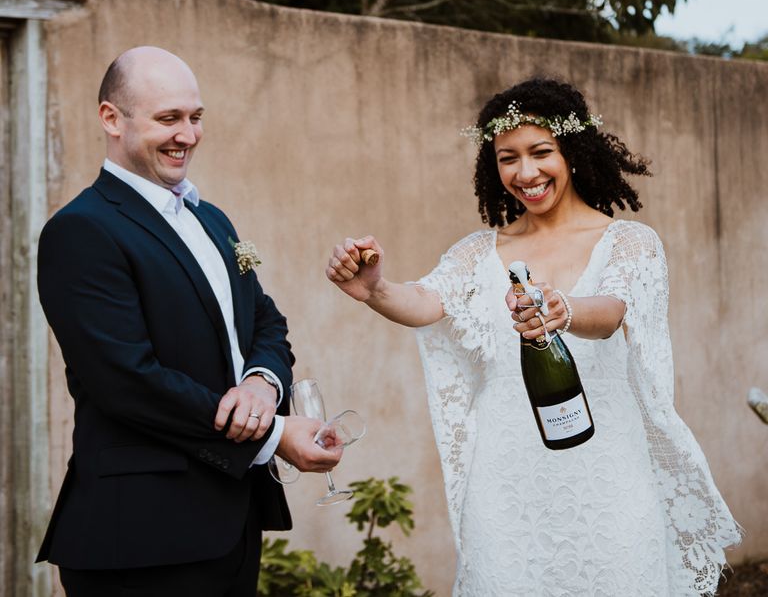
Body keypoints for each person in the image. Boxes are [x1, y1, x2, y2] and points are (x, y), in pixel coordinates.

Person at [326, 78, 740, 596]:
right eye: (507, 158)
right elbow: (426, 302)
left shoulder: (631, 244)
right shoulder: (476, 253)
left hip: (608, 479)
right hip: (507, 488)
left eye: (541, 152)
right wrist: (376, 288)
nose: (525, 173)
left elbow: (613, 311)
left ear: (572, 150)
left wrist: (562, 309)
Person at [36, 46, 342, 597]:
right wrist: (272, 435)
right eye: (168, 119)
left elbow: (266, 323)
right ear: (111, 118)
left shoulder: (212, 218)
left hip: (231, 521)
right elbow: (127, 380)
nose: (189, 135)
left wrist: (261, 383)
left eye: (195, 117)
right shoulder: (81, 231)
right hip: (138, 538)